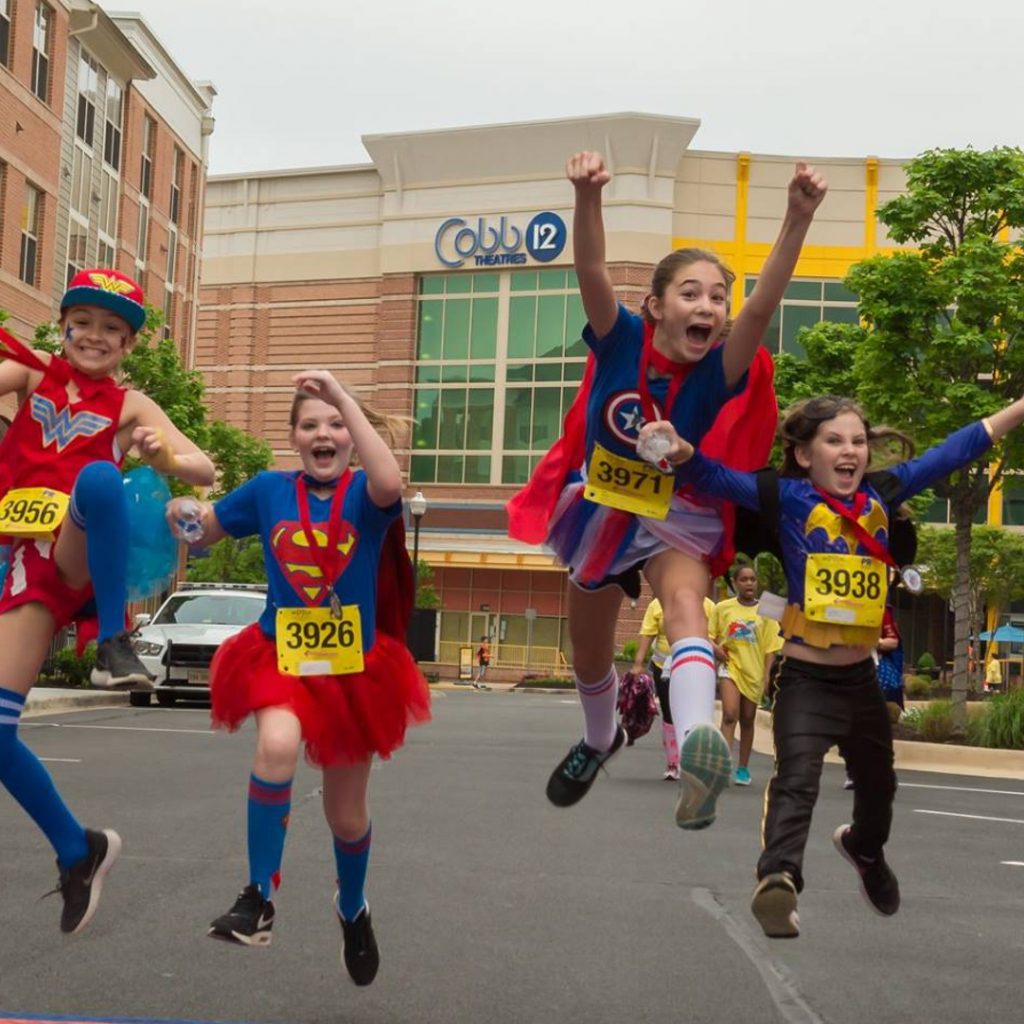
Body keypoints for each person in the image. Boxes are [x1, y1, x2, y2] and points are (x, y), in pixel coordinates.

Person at [510, 150, 826, 830]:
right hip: (601, 508)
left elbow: (764, 303)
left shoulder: (721, 370)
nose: (708, 306)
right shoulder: (618, 337)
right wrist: (587, 196)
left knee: (686, 600)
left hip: (677, 511)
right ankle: (599, 738)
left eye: (717, 296)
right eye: (691, 293)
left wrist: (796, 219)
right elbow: (590, 269)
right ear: (655, 306)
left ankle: (695, 744)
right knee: (588, 652)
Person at [653, 391, 1024, 937]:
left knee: (878, 786)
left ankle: (863, 849)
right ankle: (778, 878)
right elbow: (713, 477)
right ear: (805, 454)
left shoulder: (884, 491)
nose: (850, 451)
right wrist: (680, 450)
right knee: (796, 777)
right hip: (805, 677)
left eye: (858, 441)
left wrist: (1017, 408)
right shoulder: (783, 495)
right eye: (835, 441)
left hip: (861, 679)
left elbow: (957, 449)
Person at [167, 370, 430, 985]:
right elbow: (204, 528)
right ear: (292, 438)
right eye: (310, 424)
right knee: (277, 745)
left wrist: (343, 397)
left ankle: (352, 909)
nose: (324, 433)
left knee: (346, 816)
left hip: (353, 672)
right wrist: (179, 509)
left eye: (336, 423)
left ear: (352, 434)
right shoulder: (267, 491)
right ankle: (258, 898)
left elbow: (391, 481)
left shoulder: (368, 494)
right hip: (279, 656)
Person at [0, 268, 215, 934]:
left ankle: (116, 639)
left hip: (67, 550)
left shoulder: (129, 407)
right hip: (11, 562)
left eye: (111, 329)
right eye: (83, 323)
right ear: (62, 327)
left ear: (127, 345)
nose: (94, 336)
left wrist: (164, 456)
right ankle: (78, 849)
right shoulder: (30, 376)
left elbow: (203, 467)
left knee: (98, 477)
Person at [708, 564, 782, 786]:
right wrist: (716, 649)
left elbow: (772, 647)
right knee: (730, 714)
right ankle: (722, 765)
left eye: (752, 579)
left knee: (748, 719)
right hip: (730, 666)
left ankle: (742, 768)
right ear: (735, 582)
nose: (749, 583)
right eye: (744, 580)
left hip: (754, 671)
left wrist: (767, 675)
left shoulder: (769, 609)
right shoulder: (722, 608)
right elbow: (708, 634)